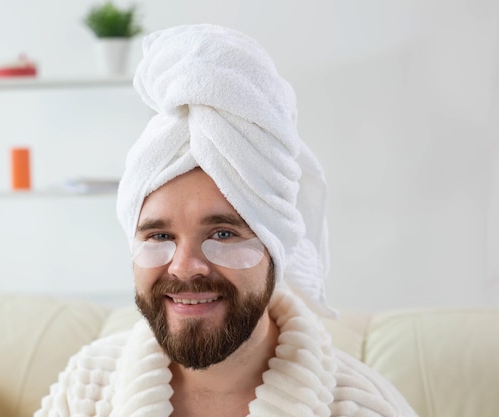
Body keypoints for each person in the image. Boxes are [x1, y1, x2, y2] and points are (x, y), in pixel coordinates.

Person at [35, 24, 418, 417]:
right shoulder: (88, 388)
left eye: (223, 233)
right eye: (159, 234)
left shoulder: (363, 408)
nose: (184, 267)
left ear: (275, 246)